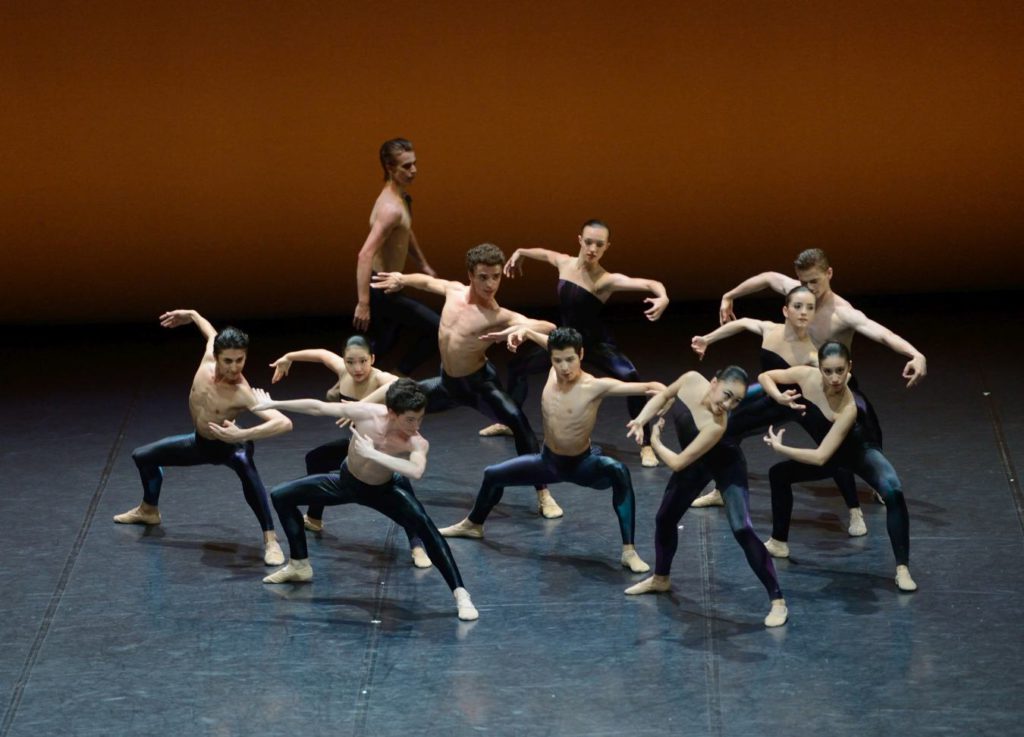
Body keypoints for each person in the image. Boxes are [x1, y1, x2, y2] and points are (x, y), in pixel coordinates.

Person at [439, 326, 663, 573]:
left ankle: (629, 552)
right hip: (549, 462)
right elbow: (538, 336)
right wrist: (517, 332)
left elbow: (653, 387)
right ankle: (473, 525)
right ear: (551, 358)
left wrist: (646, 416)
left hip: (582, 465)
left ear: (581, 355)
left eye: (570, 360)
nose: (564, 367)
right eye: (558, 361)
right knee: (492, 474)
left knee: (618, 471)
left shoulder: (596, 386)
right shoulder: (553, 368)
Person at [253, 380, 480, 621]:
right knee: (281, 495)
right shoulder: (368, 414)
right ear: (392, 413)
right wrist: (274, 403)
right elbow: (318, 408)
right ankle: (299, 565)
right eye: (410, 420)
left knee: (426, 527)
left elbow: (416, 471)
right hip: (345, 483)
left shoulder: (416, 441)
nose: (416, 426)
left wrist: (373, 454)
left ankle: (461, 594)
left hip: (383, 492)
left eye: (420, 419)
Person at [371, 243, 564, 518]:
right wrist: (402, 279)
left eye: (496, 276)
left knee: (518, 422)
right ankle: (372, 468)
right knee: (395, 408)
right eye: (484, 276)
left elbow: (550, 328)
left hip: (478, 386)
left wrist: (523, 328)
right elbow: (426, 281)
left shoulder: (496, 315)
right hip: (448, 384)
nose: (491, 284)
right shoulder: (454, 292)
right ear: (470, 275)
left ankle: (543, 493)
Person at [482, 220, 669, 468]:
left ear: (606, 248)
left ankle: (645, 444)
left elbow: (648, 284)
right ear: (580, 239)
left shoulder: (606, 280)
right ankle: (508, 421)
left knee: (631, 376)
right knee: (518, 367)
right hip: (566, 342)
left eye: (599, 245)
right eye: (589, 242)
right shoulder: (564, 262)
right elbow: (544, 253)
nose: (593, 248)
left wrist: (663, 296)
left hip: (595, 344)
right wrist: (521, 253)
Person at [113, 310, 292, 566]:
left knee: (246, 468)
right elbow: (209, 332)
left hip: (230, 446)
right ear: (216, 356)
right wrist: (192, 315)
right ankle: (149, 510)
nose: (234, 367)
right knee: (143, 457)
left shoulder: (243, 392)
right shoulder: (208, 356)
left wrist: (242, 434)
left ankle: (271, 540)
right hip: (200, 443)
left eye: (240, 360)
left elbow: (284, 423)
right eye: (228, 361)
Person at [688, 287, 868, 537]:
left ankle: (854, 510)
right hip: (773, 398)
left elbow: (839, 377)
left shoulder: (812, 353)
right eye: (798, 306)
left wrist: (847, 398)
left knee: (831, 452)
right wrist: (708, 338)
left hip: (799, 405)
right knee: (726, 431)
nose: (804, 312)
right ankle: (721, 490)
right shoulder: (770, 330)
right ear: (785, 310)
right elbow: (741, 324)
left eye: (810, 308)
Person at [622, 367, 789, 628]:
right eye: (726, 395)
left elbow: (677, 463)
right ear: (713, 383)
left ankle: (778, 601)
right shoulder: (689, 379)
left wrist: (655, 442)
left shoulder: (717, 426)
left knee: (742, 528)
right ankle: (661, 578)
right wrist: (641, 419)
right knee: (665, 518)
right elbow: (663, 395)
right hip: (697, 465)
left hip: (727, 466)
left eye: (736, 401)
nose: (728, 405)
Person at [759, 342, 916, 592]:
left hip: (861, 454)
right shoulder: (804, 375)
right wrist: (778, 396)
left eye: (840, 371)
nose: (834, 378)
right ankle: (779, 542)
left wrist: (781, 448)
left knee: (893, 490)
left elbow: (821, 457)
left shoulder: (849, 406)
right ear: (819, 368)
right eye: (828, 371)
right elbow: (765, 376)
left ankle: (902, 568)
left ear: (849, 368)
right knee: (778, 475)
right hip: (835, 457)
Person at [267, 336, 432, 569]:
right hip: (358, 445)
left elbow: (403, 384)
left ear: (372, 359)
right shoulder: (344, 373)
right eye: (350, 362)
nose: (357, 368)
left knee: (404, 489)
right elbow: (321, 353)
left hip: (385, 446)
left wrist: (361, 405)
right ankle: (314, 518)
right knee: (316, 459)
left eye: (363, 361)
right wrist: (289, 357)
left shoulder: (380, 378)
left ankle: (417, 544)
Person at [718, 247, 927, 387]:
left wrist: (916, 354)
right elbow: (768, 278)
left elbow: (883, 334)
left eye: (814, 281)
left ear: (829, 273)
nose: (809, 288)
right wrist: (730, 295)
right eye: (803, 282)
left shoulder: (842, 313)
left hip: (832, 384)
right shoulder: (797, 292)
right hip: (796, 376)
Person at [352, 138, 440, 376]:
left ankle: (347, 383)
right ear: (390, 168)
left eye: (414, 164)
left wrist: (422, 264)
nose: (414, 170)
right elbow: (365, 254)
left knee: (384, 343)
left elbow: (406, 232)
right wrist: (363, 303)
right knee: (438, 330)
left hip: (391, 285)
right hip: (381, 288)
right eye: (406, 166)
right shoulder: (390, 209)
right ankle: (398, 375)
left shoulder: (403, 199)